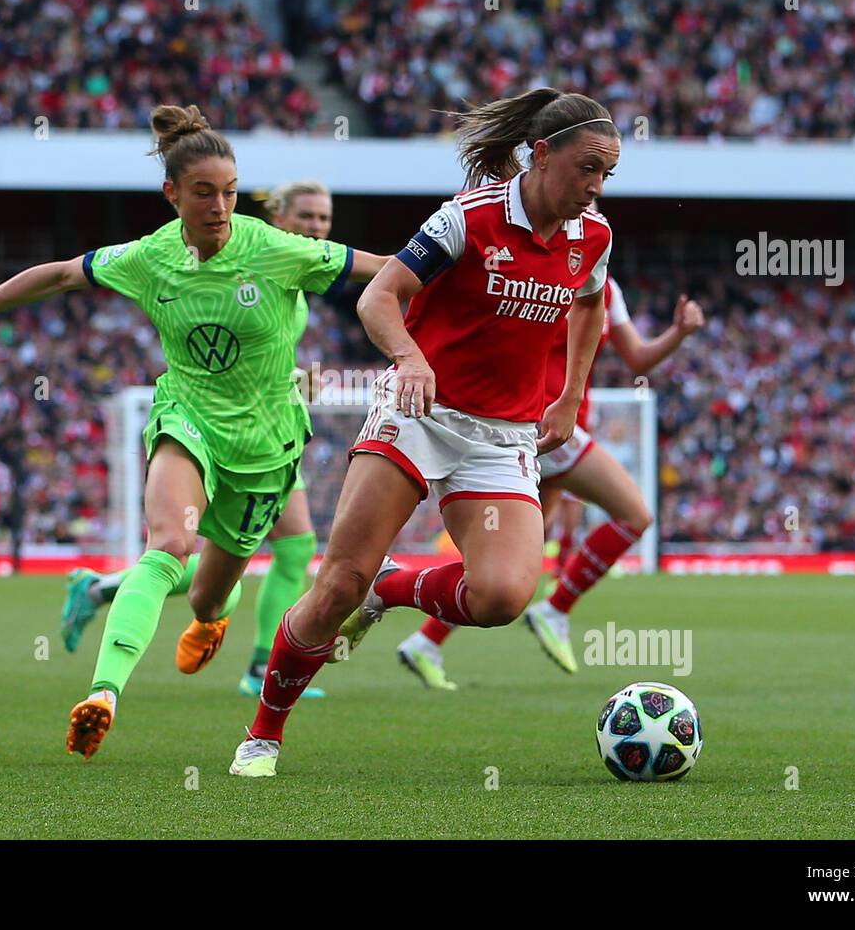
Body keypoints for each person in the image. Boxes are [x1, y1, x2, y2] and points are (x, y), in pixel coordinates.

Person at [0, 105, 389, 760]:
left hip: (266, 448)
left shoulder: (276, 250)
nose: (219, 206)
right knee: (167, 544)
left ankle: (213, 615)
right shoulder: (151, 257)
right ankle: (104, 693)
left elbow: (389, 268)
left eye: (230, 192)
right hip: (187, 419)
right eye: (204, 193)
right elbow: (62, 273)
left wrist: (466, 272)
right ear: (172, 195)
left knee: (210, 592)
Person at [229, 88, 619, 778]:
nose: (594, 188)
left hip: (503, 437)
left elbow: (589, 307)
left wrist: (570, 396)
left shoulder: (593, 236)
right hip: (420, 415)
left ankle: (393, 587)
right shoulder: (467, 219)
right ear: (542, 153)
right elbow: (381, 295)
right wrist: (409, 357)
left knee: (501, 597)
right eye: (587, 168)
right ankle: (263, 733)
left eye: (606, 175)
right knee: (337, 584)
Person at [61, 179, 338, 700]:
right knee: (209, 548)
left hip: (270, 430)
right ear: (280, 219)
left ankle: (104, 588)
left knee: (290, 547)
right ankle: (258, 665)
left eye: (324, 219)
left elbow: (257, 355)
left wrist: (298, 377)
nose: (317, 227)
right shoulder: (246, 260)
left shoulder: (295, 280)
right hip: (220, 428)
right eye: (307, 217)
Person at [396, 278, 706, 689]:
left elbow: (637, 359)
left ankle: (425, 639)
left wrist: (678, 333)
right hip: (535, 422)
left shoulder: (606, 286)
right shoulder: (538, 270)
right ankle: (556, 608)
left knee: (515, 554)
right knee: (634, 514)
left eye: (592, 207)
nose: (585, 212)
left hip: (559, 426)